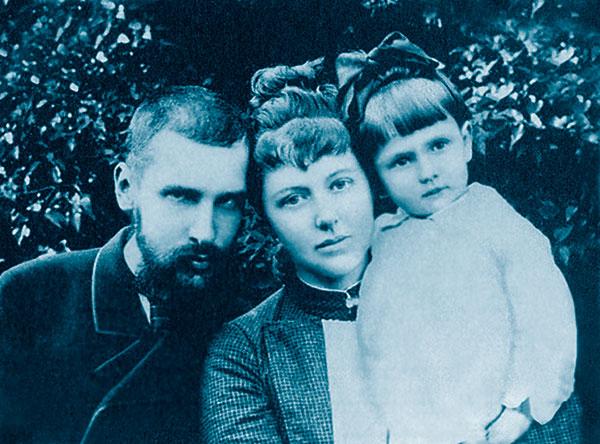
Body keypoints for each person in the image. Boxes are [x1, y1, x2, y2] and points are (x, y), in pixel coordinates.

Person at [336, 32, 580, 442]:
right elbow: (377, 346)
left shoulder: (492, 220)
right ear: (377, 175)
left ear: (465, 142)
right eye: (402, 160)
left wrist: (520, 408)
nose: (427, 171)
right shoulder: (385, 241)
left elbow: (545, 317)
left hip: (508, 422)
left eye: (438, 145)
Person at [0, 86, 248, 442]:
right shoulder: (28, 301)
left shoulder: (247, 324)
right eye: (182, 197)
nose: (205, 232)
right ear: (126, 187)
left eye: (228, 202)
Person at [201, 61, 388, 443]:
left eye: (340, 184)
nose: (326, 216)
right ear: (266, 219)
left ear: (370, 184)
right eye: (293, 199)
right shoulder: (243, 352)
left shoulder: (447, 292)